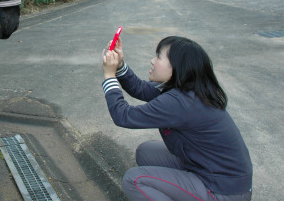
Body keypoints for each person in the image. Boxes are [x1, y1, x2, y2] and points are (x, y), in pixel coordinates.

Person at [102, 36, 252, 201]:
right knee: (145, 152)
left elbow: (124, 116)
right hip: (206, 169)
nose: (152, 61)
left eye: (158, 57)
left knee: (134, 180)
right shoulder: (184, 90)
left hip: (223, 190)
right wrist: (120, 66)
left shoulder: (180, 102)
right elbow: (141, 88)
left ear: (176, 68)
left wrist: (109, 76)